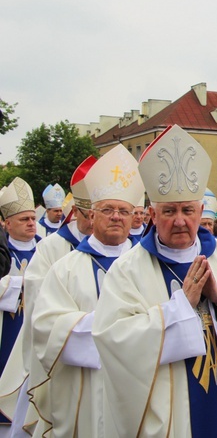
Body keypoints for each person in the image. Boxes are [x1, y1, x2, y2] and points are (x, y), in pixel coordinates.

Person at [92, 125, 217, 437]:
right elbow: (113, 340)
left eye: (187, 210)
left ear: (201, 210)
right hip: (169, 419)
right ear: (151, 214)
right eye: (169, 211)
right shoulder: (127, 271)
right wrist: (180, 308)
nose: (180, 220)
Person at [29, 144, 145, 437]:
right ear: (91, 216)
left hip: (139, 380)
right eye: (107, 209)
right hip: (86, 382)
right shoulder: (66, 268)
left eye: (124, 211)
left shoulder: (149, 265)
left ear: (134, 218)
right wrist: (109, 328)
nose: (116, 216)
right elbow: (44, 327)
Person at [0, 156, 97, 435]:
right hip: (60, 352)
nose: (94, 221)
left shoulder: (123, 249)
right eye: (88, 214)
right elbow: (38, 296)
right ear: (76, 212)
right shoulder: (53, 247)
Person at [0, 178, 39, 436]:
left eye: (33, 218)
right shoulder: (3, 251)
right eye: (24, 219)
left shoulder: (47, 250)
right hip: (6, 334)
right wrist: (20, 283)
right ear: (7, 222)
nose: (31, 223)